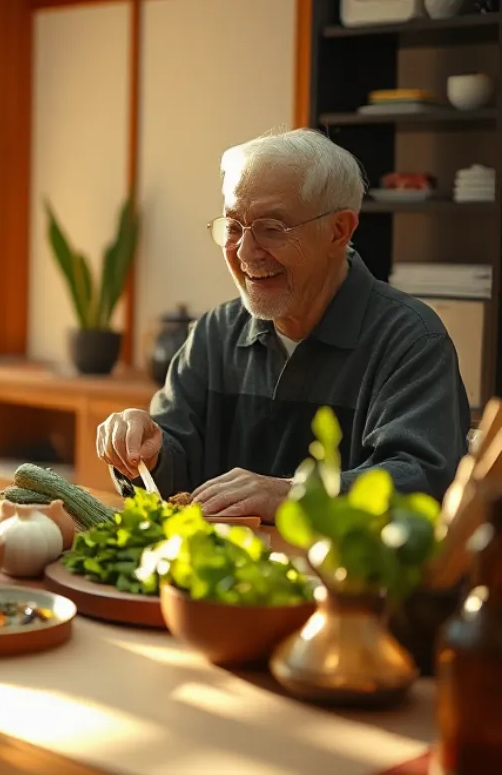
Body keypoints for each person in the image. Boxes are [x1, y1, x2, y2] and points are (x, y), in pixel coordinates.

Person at [96, 128, 470, 520]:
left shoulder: (409, 339)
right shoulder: (215, 333)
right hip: (222, 574)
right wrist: (146, 454)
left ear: (338, 231)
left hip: (344, 578)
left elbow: (423, 483)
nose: (244, 252)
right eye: (233, 226)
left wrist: (294, 495)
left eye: (271, 229)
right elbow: (172, 470)